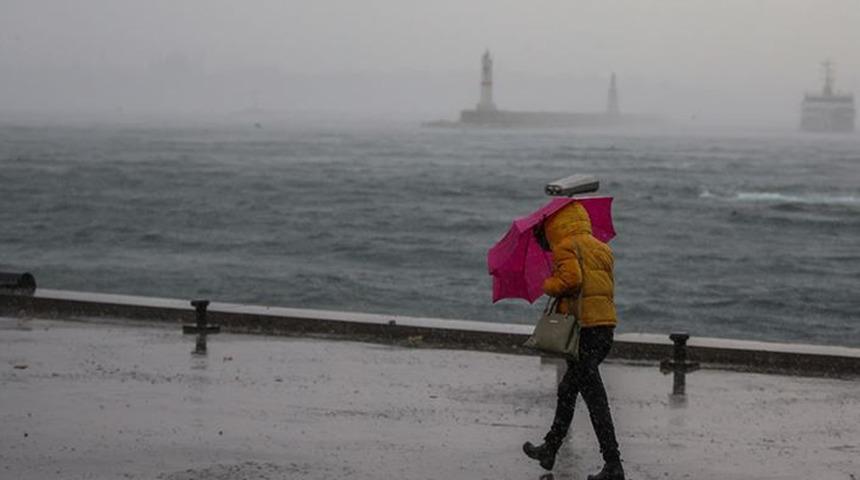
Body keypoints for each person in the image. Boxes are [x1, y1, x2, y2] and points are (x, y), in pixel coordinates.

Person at [523, 201, 624, 480]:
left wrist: (548, 284)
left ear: (556, 225)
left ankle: (613, 464)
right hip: (604, 328)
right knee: (569, 388)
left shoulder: (566, 246)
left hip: (584, 331)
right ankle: (550, 448)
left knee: (594, 398)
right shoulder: (601, 247)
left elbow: (572, 280)